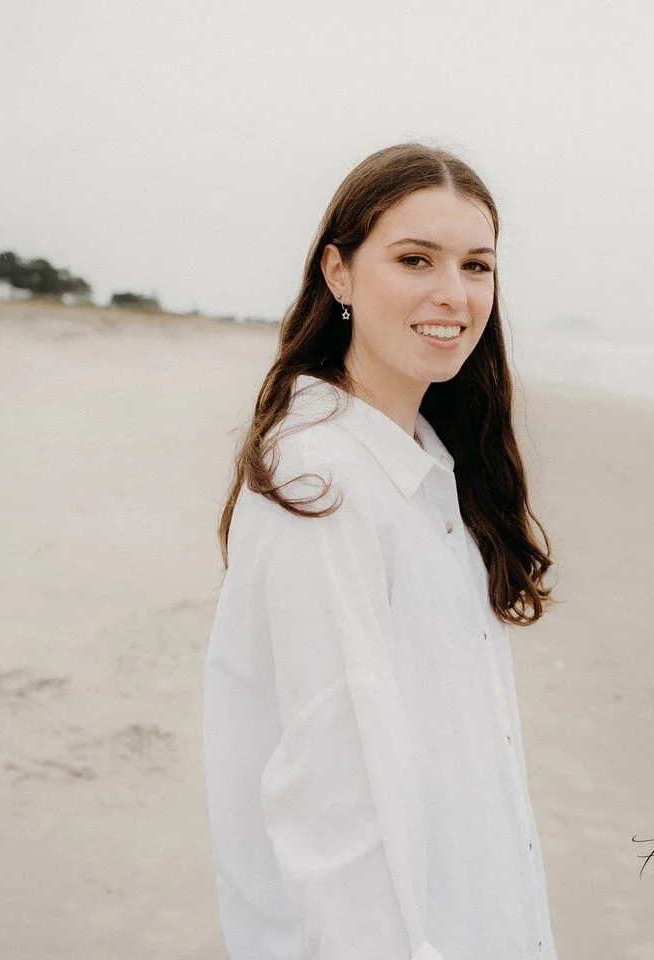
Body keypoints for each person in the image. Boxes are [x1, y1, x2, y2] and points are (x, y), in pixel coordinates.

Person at [201, 142, 560, 960]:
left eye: (477, 266)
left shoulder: (427, 467)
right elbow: (335, 802)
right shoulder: (322, 483)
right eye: (414, 259)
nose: (453, 294)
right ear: (338, 274)